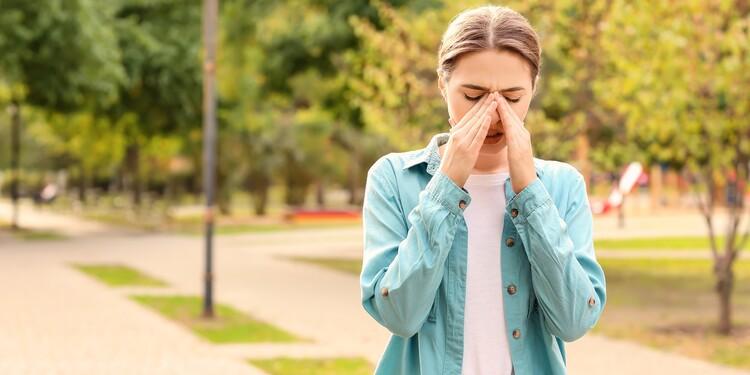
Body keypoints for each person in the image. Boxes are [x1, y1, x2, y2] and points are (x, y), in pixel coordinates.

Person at [360, 5, 606, 375]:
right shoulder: (394, 178)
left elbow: (574, 322)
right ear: (443, 85)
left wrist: (530, 193)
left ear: (534, 90)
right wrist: (446, 188)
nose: (493, 115)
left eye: (512, 97)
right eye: (473, 96)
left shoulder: (561, 185)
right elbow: (400, 316)